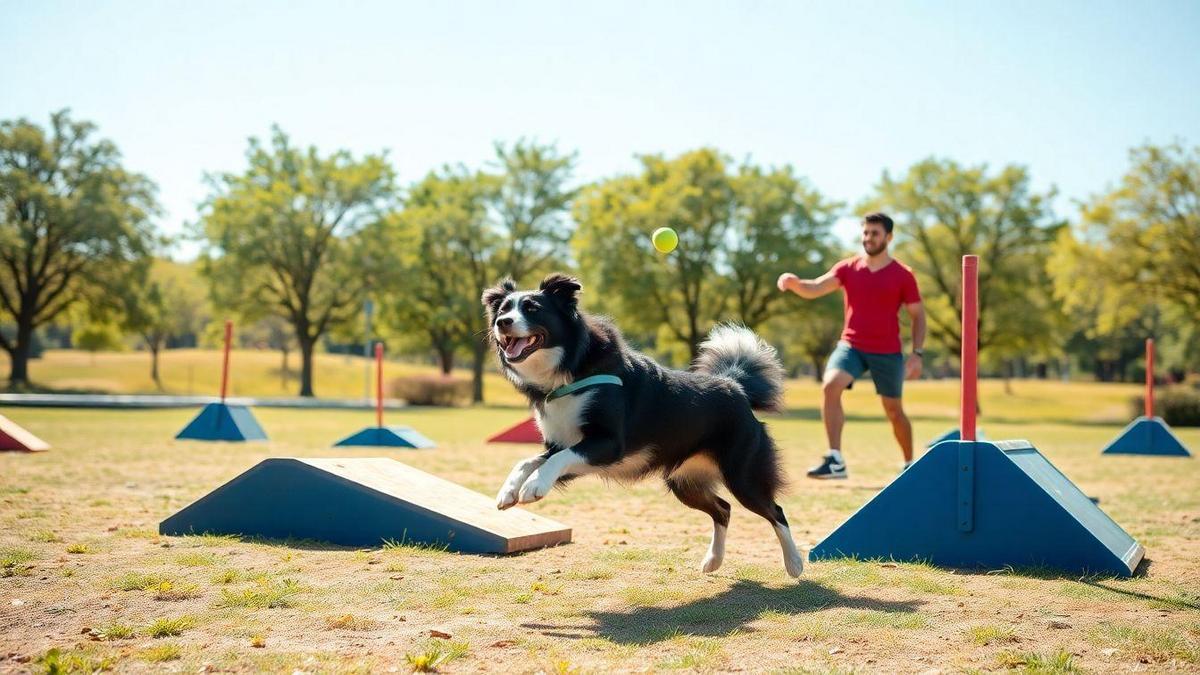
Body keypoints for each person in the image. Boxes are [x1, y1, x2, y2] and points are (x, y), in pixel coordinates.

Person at [777, 212, 926, 479]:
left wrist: (916, 354)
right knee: (831, 385)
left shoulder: (903, 275)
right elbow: (815, 287)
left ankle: (909, 464)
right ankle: (835, 460)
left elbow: (918, 315)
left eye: (875, 233)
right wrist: (794, 283)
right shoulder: (848, 268)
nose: (868, 238)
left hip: (887, 350)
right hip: (852, 345)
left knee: (893, 410)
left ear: (889, 237)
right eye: (865, 233)